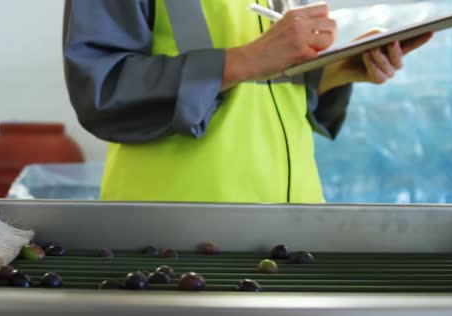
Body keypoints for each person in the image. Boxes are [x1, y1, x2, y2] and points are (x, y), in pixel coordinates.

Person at [62, 0, 432, 203]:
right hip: (175, 236)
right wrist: (245, 59)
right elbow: (101, 88)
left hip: (292, 230)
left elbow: (269, 90)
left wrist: (337, 70)